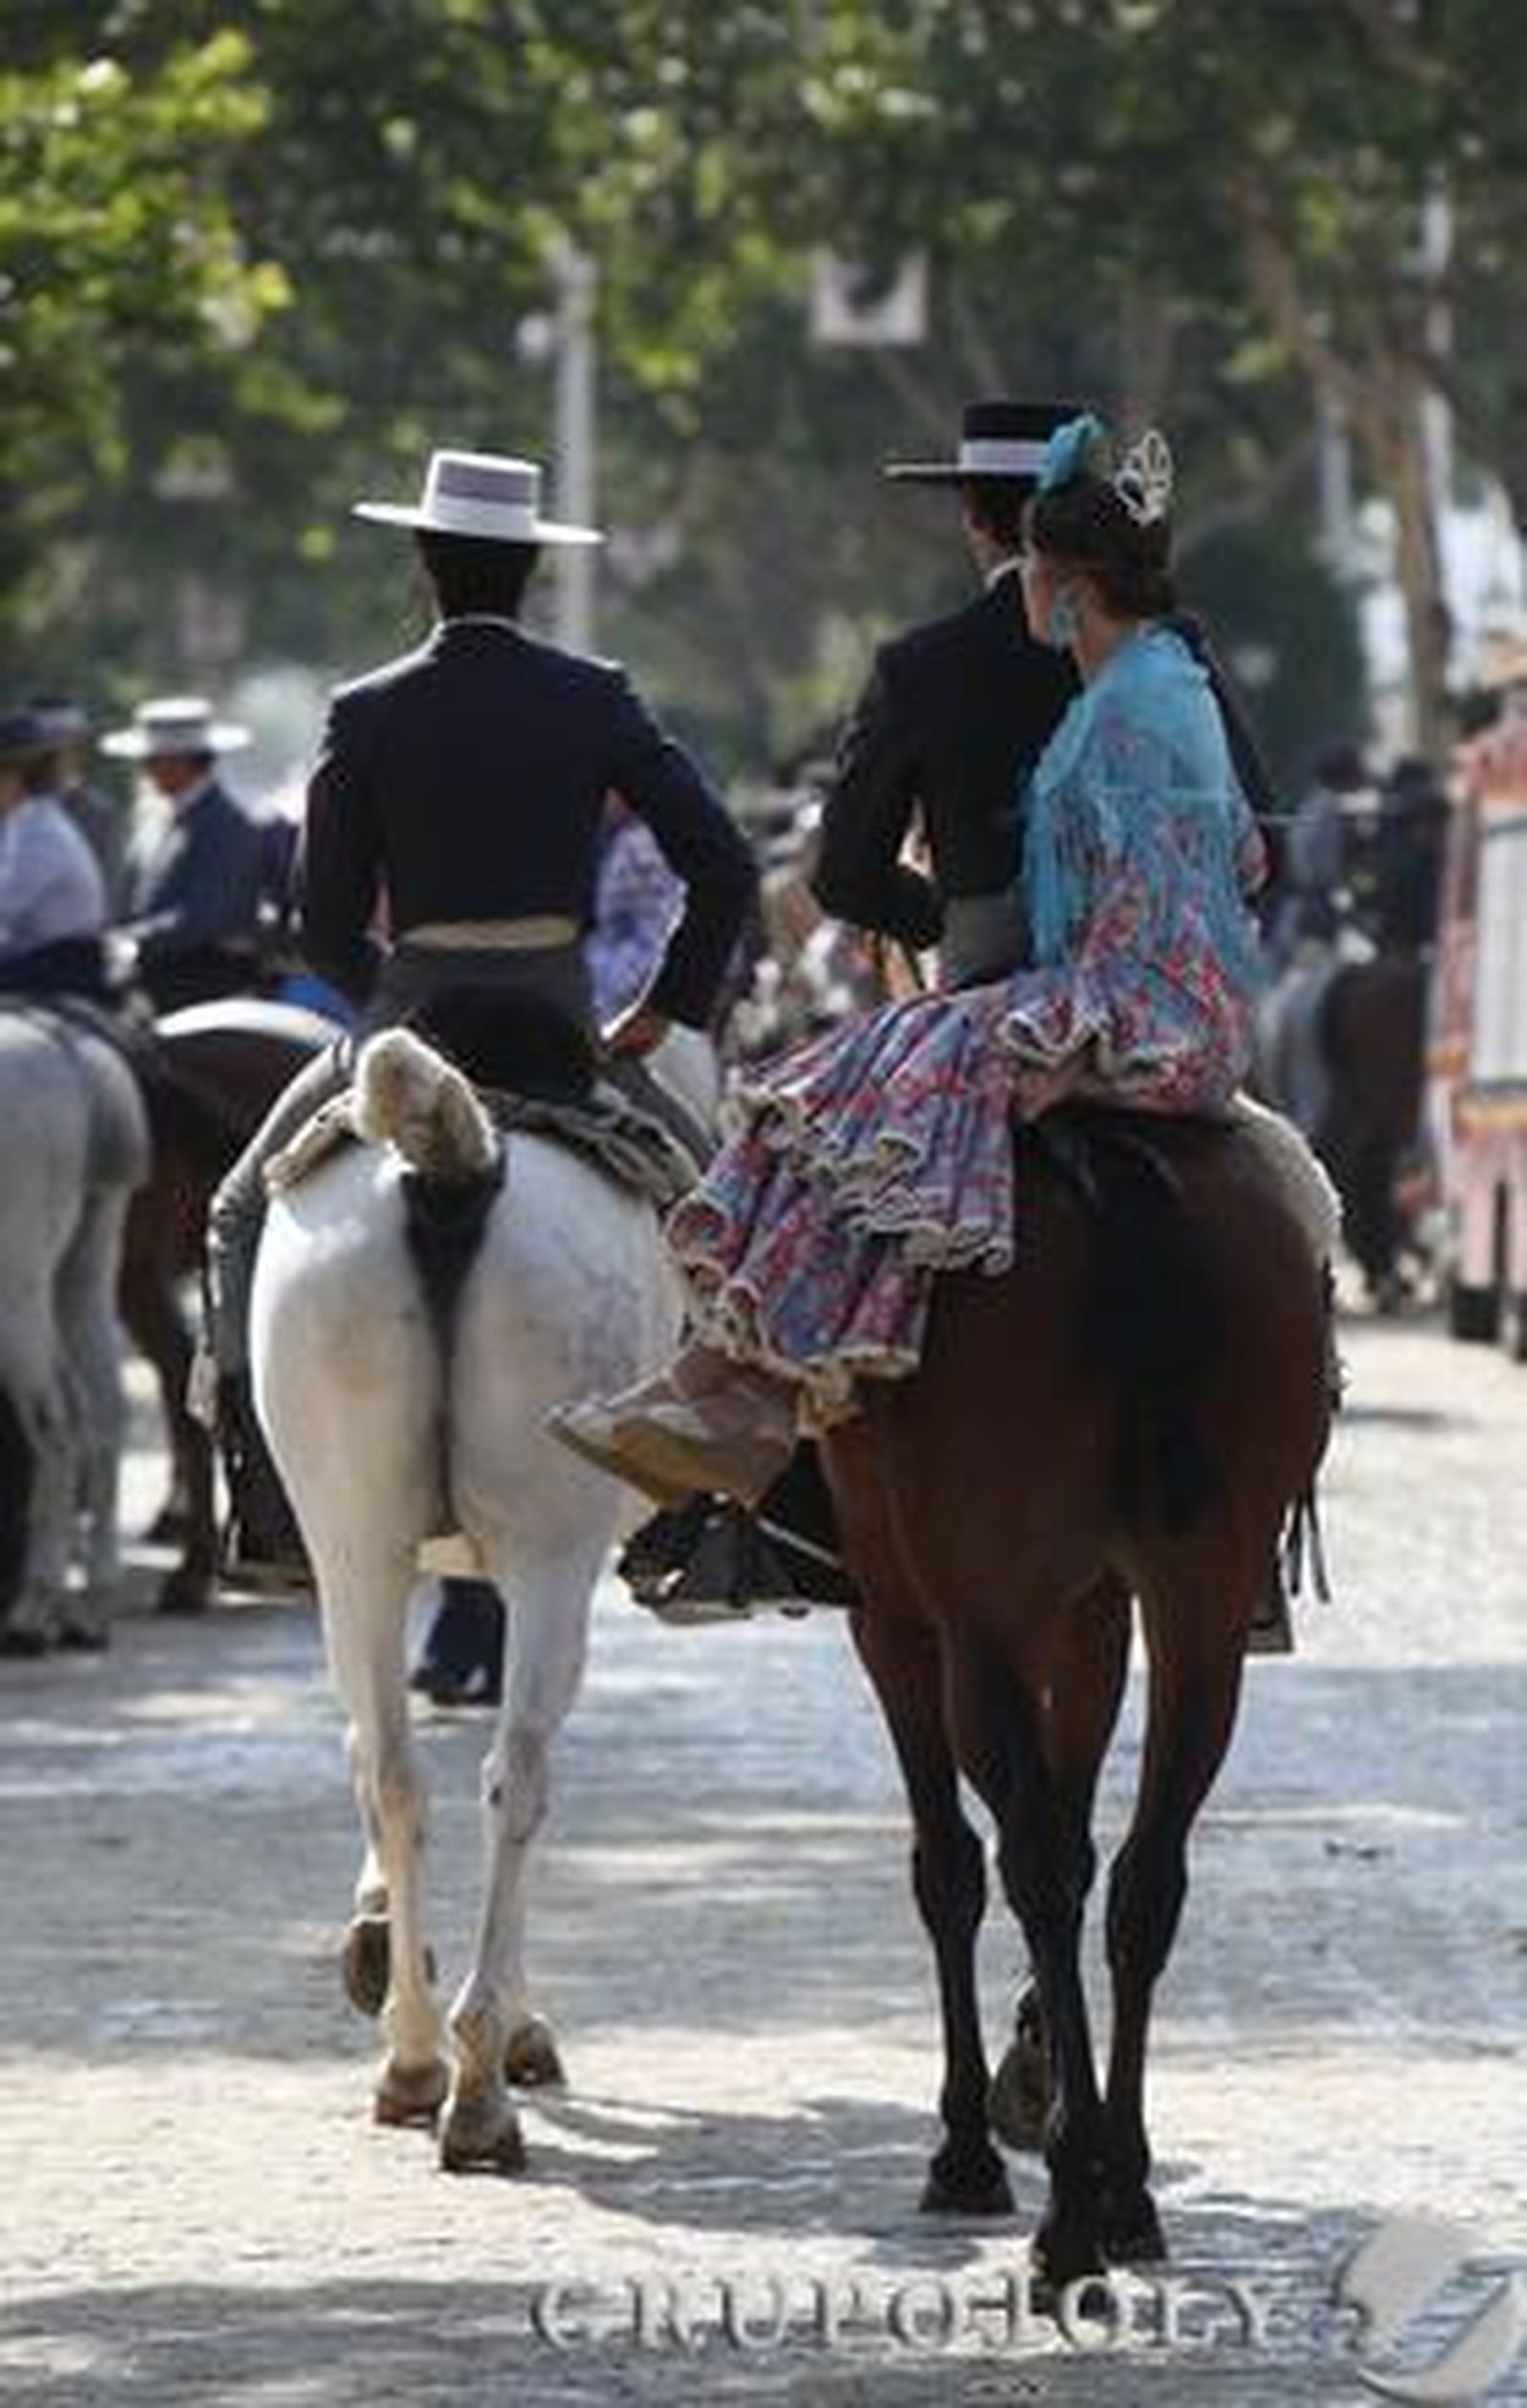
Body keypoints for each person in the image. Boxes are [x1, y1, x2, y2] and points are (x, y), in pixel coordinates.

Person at [553, 412, 1271, 1504]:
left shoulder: (1034, 680)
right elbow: (1253, 847)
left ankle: (749, 1407)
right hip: (1132, 983)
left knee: (833, 1098)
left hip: (1103, 992)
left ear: (1036, 557)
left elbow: (848, 879)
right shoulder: (1172, 667)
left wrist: (989, 954)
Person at [201, 445, 756, 1579]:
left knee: (234, 1213)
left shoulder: (364, 710)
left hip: (406, 1021)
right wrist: (665, 1005)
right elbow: (726, 866)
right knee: (721, 1228)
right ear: (530, 573)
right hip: (562, 1030)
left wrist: (386, 1017)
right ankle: (704, 1519)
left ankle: (263, 1504)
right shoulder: (593, 696)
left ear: (424, 563)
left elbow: (318, 925)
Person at [106, 696, 268, 1011]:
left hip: (201, 983)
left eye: (153, 759)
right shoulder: (158, 817)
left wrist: (135, 941)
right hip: (156, 972)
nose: (145, 768)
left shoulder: (227, 825)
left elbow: (208, 915)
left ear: (183, 761)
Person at [0, 704, 112, 1003]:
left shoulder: (41, 832)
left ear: (13, 776)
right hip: (39, 958)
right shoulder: (23, 823)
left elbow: (5, 905)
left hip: (64, 967)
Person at [28, 696, 131, 914]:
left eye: (64, 743)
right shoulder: (12, 808)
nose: (53, 755)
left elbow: (109, 893)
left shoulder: (99, 814)